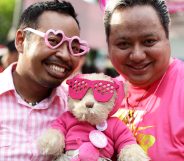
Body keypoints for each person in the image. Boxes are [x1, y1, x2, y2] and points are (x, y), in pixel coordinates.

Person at [0, 0, 89, 160]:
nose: (65, 55)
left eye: (74, 48)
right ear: (21, 40)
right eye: (53, 41)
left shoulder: (78, 108)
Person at [99, 0, 184, 160]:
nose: (137, 55)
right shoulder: (103, 94)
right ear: (109, 47)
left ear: (167, 38)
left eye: (149, 41)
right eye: (123, 44)